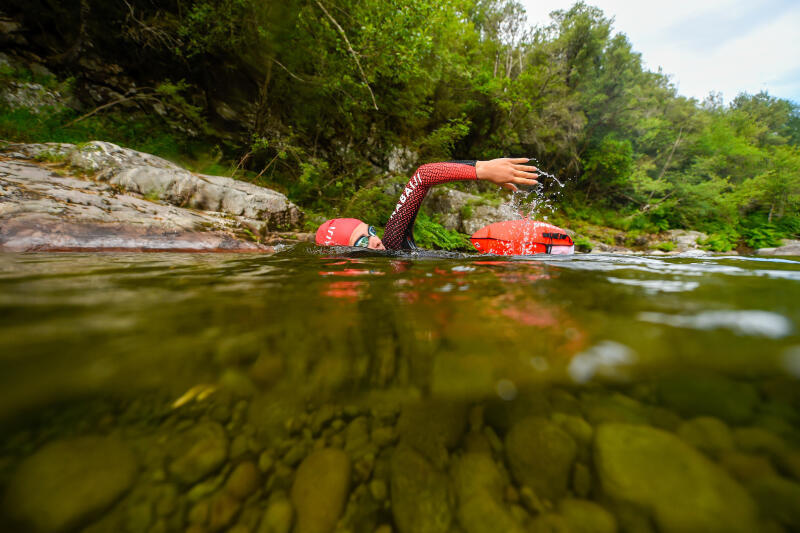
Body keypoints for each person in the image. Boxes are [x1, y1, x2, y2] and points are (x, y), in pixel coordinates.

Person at [315, 158, 540, 250]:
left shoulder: (393, 243)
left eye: (371, 231)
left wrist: (482, 168)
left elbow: (423, 177)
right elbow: (422, 175)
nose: (375, 240)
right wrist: (481, 170)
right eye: (362, 240)